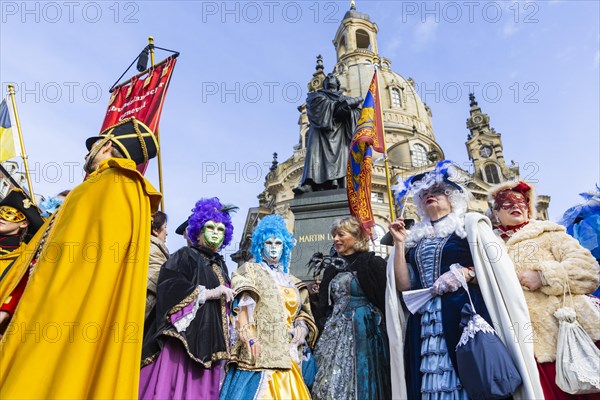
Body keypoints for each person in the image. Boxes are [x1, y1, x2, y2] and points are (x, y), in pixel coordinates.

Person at [0, 117, 161, 399]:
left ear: (107, 145)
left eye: (94, 146)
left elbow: (60, 265)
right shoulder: (132, 194)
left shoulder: (98, 187)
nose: (88, 153)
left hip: (55, 316)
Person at [388, 161, 543, 399]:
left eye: (437, 191)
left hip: (462, 313)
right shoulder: (414, 239)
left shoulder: (470, 227)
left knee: (471, 375)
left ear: (451, 198)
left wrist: (467, 273)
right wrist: (399, 244)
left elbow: (498, 270)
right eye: (425, 193)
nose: (430, 195)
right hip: (424, 321)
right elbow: (405, 285)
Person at [488, 180, 600, 399]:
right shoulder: (489, 246)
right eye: (506, 203)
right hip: (525, 347)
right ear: (495, 212)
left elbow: (588, 270)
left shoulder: (549, 233)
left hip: (568, 336)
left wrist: (544, 276)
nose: (516, 205)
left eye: (521, 202)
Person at [139, 197, 235, 400]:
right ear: (198, 232)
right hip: (183, 342)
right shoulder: (185, 255)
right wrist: (210, 293)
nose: (215, 234)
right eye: (210, 228)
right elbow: (170, 287)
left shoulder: (220, 266)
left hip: (211, 340)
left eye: (220, 230)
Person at [220, 214, 318, 399]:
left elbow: (302, 313)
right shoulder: (250, 271)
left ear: (285, 247)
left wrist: (302, 328)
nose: (273, 248)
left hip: (287, 353)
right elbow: (242, 304)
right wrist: (249, 336)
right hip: (259, 353)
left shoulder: (292, 282)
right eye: (269, 243)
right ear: (260, 245)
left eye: (278, 243)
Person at [310, 215, 391, 400]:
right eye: (334, 235)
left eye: (341, 234)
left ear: (356, 237)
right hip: (334, 331)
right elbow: (324, 304)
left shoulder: (372, 262)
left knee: (361, 376)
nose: (335, 239)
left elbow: (385, 297)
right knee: (327, 382)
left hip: (365, 331)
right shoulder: (331, 268)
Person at [294, 73, 363, 194]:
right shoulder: (316, 96)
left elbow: (358, 116)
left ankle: (340, 181)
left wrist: (348, 110)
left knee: (343, 157)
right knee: (315, 155)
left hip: (340, 134)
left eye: (333, 77)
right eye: (328, 77)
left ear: (338, 83)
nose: (330, 77)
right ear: (324, 84)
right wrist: (339, 106)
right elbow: (316, 109)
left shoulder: (346, 99)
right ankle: (309, 183)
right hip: (320, 134)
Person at [0, 188, 44, 336]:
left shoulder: (25, 257)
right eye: (1, 211)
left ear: (24, 223)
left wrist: (5, 311)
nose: (2, 217)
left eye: (10, 214)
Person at [146, 211, 169, 319]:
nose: (167, 232)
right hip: (148, 310)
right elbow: (160, 280)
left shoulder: (156, 248)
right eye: (165, 227)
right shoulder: (152, 249)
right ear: (155, 230)